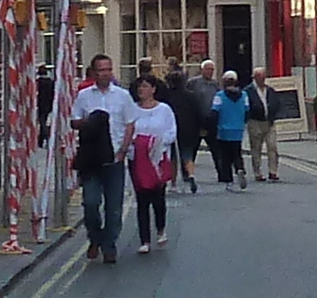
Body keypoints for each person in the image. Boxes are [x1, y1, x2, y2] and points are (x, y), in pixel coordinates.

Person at [67, 54, 135, 262]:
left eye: (108, 69)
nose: (105, 73)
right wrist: (88, 121)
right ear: (94, 72)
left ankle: (109, 245)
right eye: (101, 70)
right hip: (92, 160)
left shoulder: (122, 96)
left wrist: (123, 149)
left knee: (114, 208)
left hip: (114, 159)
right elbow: (73, 121)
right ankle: (94, 238)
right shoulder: (85, 96)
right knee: (90, 202)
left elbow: (130, 124)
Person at [125, 72, 180, 255]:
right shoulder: (132, 109)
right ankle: (144, 240)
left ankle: (161, 229)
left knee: (158, 198)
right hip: (138, 159)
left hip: (158, 158)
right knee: (142, 199)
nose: (142, 90)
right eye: (140, 86)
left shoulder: (164, 110)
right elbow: (128, 131)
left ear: (154, 89)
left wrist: (156, 143)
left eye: (146, 86)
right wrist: (136, 143)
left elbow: (172, 131)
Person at [168, 63, 215, 195]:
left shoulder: (167, 96)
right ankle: (191, 174)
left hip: (173, 128)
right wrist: (202, 126)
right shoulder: (191, 95)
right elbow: (198, 111)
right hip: (189, 129)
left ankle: (173, 183)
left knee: (173, 157)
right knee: (187, 154)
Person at [209, 65, 251, 185]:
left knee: (225, 155)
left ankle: (227, 178)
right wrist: (242, 122)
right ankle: (239, 168)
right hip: (238, 129)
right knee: (237, 152)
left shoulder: (220, 96)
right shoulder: (244, 95)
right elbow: (248, 111)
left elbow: (214, 112)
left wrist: (212, 126)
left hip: (223, 129)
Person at [243, 66, 280, 181]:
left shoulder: (270, 90)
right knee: (256, 148)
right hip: (255, 122)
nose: (262, 79)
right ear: (254, 77)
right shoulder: (247, 91)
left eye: (263, 76)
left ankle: (273, 171)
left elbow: (276, 103)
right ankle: (257, 172)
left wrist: (273, 114)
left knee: (272, 147)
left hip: (269, 122)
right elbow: (246, 107)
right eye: (259, 76)